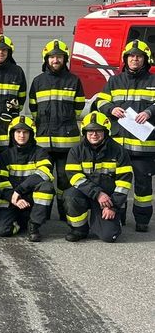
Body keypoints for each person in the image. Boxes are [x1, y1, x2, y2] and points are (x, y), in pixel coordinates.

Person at [95, 39, 155, 232]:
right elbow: (100, 102)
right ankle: (117, 216)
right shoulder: (114, 81)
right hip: (117, 147)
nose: (134, 59)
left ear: (145, 60)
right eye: (131, 56)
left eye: (138, 56)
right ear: (125, 59)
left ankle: (142, 220)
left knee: (143, 188)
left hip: (142, 148)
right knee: (116, 184)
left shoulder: (153, 80)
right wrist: (111, 109)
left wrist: (150, 112)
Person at [28, 39, 85, 219]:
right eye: (52, 57)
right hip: (43, 142)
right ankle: (41, 213)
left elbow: (78, 109)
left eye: (59, 57)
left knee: (64, 179)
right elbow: (33, 108)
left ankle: (63, 212)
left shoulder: (74, 80)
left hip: (66, 143)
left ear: (64, 59)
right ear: (46, 59)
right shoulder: (38, 81)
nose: (55, 60)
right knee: (42, 177)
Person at [64, 111, 133, 243]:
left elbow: (124, 183)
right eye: (90, 131)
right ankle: (79, 229)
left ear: (106, 132)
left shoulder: (119, 151)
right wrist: (98, 193)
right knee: (70, 195)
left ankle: (116, 220)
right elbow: (74, 177)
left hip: (109, 200)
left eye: (98, 131)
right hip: (87, 194)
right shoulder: (76, 151)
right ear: (84, 132)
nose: (94, 134)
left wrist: (113, 206)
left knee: (109, 236)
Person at [0, 115, 55, 242]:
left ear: (31, 134)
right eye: (18, 132)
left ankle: (34, 226)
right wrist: (14, 199)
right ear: (12, 134)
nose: (21, 135)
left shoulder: (41, 153)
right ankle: (20, 223)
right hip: (11, 200)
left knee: (47, 187)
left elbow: (45, 173)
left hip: (31, 200)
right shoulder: (5, 156)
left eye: (25, 132)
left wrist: (19, 190)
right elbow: (2, 184)